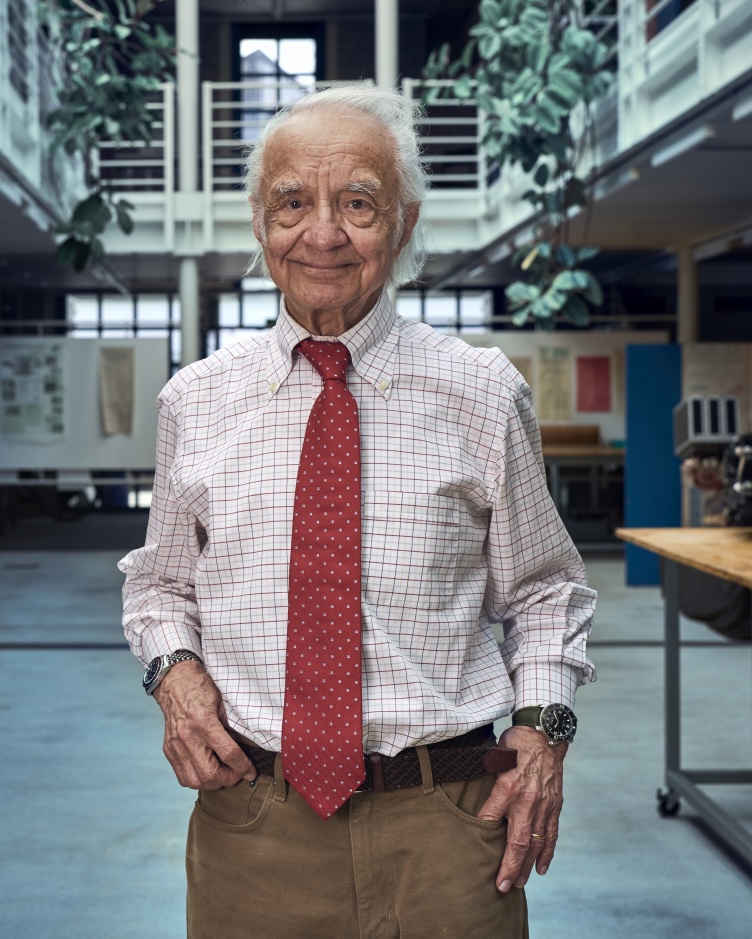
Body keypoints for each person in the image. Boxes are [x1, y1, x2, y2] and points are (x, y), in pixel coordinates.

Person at [120, 84, 596, 939]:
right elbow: (158, 586)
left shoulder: (482, 394)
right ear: (261, 222)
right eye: (293, 202)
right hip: (254, 827)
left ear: (403, 222)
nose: (324, 233)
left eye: (359, 203)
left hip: (449, 825)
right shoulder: (195, 400)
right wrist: (176, 680)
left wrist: (544, 728)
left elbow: (544, 591)